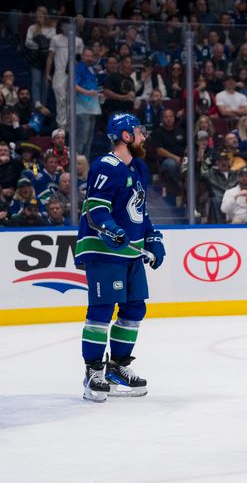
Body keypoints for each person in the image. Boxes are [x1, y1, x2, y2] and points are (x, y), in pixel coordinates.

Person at [74, 113, 166, 403]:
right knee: (101, 309)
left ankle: (117, 368)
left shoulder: (136, 168)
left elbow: (140, 211)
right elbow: (96, 208)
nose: (143, 136)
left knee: (134, 309)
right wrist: (109, 228)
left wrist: (152, 236)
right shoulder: (106, 165)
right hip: (104, 251)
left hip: (129, 253)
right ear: (124, 135)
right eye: (138, 131)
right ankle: (92, 372)